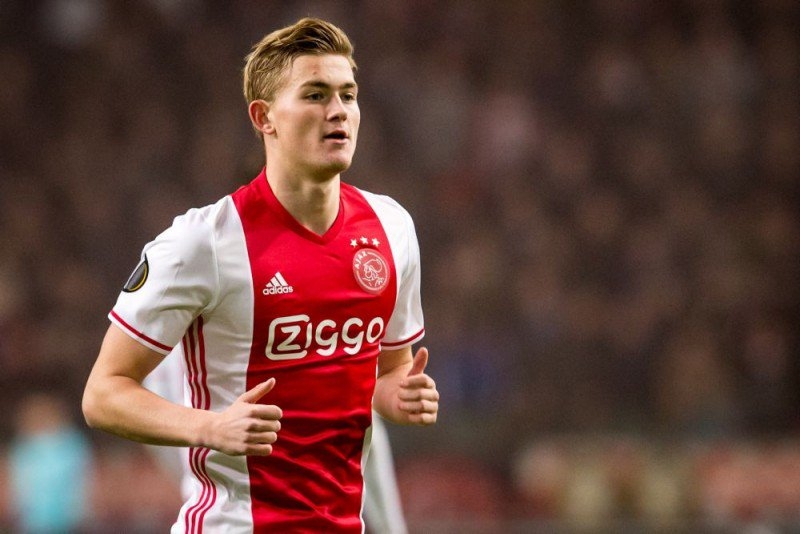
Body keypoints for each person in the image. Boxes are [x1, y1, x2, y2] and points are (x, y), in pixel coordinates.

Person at [82, 17, 438, 533]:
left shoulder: (393, 228)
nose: (338, 110)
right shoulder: (203, 242)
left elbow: (388, 373)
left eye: (348, 94)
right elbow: (103, 394)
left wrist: (400, 394)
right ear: (264, 116)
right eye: (315, 95)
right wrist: (210, 427)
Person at [143, 351, 409, 533]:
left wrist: (195, 482)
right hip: (298, 509)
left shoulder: (164, 347)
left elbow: (158, 426)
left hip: (221, 513)